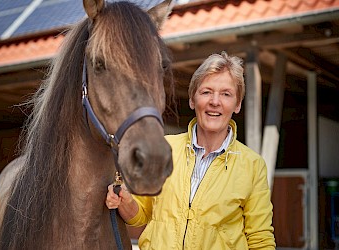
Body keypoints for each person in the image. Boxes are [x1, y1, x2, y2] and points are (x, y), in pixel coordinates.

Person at [106, 51, 276, 249]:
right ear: (192, 99)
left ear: (237, 104)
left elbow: (260, 239)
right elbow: (141, 214)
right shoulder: (164, 148)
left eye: (226, 94)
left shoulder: (252, 166)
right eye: (206, 92)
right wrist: (125, 202)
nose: (215, 101)